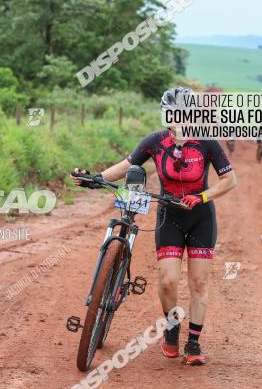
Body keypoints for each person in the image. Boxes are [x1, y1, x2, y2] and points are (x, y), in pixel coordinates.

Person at [71, 86, 238, 365]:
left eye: (185, 113)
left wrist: (202, 196)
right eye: (174, 113)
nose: (180, 118)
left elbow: (230, 181)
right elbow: (126, 165)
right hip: (168, 216)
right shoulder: (155, 141)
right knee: (167, 281)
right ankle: (172, 328)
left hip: (201, 217)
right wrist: (95, 178)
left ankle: (193, 344)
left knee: (198, 283)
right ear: (166, 115)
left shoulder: (207, 143)